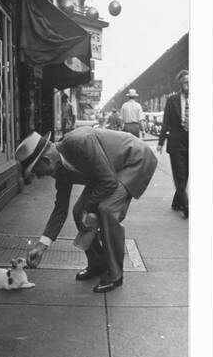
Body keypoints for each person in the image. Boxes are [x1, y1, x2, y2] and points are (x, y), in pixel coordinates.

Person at [15, 126, 157, 293]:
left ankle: (115, 274)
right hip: (108, 172)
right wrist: (41, 246)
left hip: (134, 160)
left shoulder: (81, 142)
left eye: (37, 171)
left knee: (107, 209)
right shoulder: (59, 170)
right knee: (78, 211)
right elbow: (60, 210)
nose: (38, 176)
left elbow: (109, 182)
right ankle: (97, 264)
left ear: (46, 160)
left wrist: (88, 207)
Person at [157, 70, 189, 219]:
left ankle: (177, 202)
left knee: (186, 174)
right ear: (180, 84)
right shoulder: (172, 100)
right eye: (185, 82)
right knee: (179, 174)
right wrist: (160, 142)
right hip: (176, 141)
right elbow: (166, 123)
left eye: (190, 82)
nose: (188, 85)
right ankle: (186, 205)